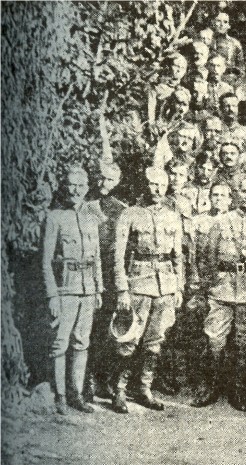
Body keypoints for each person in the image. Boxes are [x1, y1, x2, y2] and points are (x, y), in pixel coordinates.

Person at [191, 176, 246, 411]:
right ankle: (213, 386)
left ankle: (238, 389)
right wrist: (210, 283)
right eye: (244, 191)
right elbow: (207, 256)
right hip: (222, 289)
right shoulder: (222, 221)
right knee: (214, 338)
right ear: (237, 193)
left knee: (244, 341)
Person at [110, 167, 183, 413]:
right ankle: (119, 389)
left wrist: (178, 287)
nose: (157, 189)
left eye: (162, 185)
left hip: (165, 286)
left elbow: (178, 256)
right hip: (139, 282)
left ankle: (144, 389)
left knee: (155, 342)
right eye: (152, 184)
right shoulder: (129, 214)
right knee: (129, 339)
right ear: (145, 185)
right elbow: (118, 256)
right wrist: (122, 290)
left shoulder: (173, 216)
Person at [43, 166, 103, 414]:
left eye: (80, 185)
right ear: (63, 186)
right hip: (65, 287)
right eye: (70, 184)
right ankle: (60, 396)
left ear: (87, 188)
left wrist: (99, 288)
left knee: (82, 342)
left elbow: (97, 256)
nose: (75, 190)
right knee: (60, 343)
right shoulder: (54, 217)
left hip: (88, 288)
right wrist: (52, 294)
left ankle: (76, 394)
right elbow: (45, 260)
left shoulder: (92, 216)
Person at [184, 183, 233, 392]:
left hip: (226, 284)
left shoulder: (235, 221)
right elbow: (191, 254)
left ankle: (227, 383)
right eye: (215, 195)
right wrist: (195, 281)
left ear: (231, 199)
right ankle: (201, 380)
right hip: (200, 283)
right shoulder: (198, 221)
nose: (219, 199)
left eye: (223, 195)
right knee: (201, 332)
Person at [85, 161, 127, 402]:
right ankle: (85, 380)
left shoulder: (122, 210)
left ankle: (102, 379)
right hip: (89, 273)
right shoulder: (84, 205)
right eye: (101, 177)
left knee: (107, 330)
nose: (104, 183)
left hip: (111, 277)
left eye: (110, 179)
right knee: (87, 329)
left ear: (118, 182)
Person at [154, 159, 194, 395]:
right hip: (163, 268)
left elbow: (191, 243)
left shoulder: (186, 203)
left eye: (182, 174)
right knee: (161, 323)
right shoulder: (157, 202)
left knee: (178, 325)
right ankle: (157, 375)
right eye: (173, 174)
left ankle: (173, 373)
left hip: (183, 268)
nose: (177, 178)